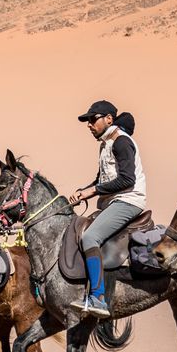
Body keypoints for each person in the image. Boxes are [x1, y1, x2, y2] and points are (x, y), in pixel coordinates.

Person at [66, 101, 147, 318]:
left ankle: (99, 299)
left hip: (128, 200)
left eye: (93, 119)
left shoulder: (121, 142)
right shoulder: (106, 144)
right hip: (113, 201)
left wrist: (91, 191)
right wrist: (83, 190)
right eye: (88, 121)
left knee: (90, 237)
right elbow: (101, 179)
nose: (89, 124)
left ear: (109, 119)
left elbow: (127, 179)